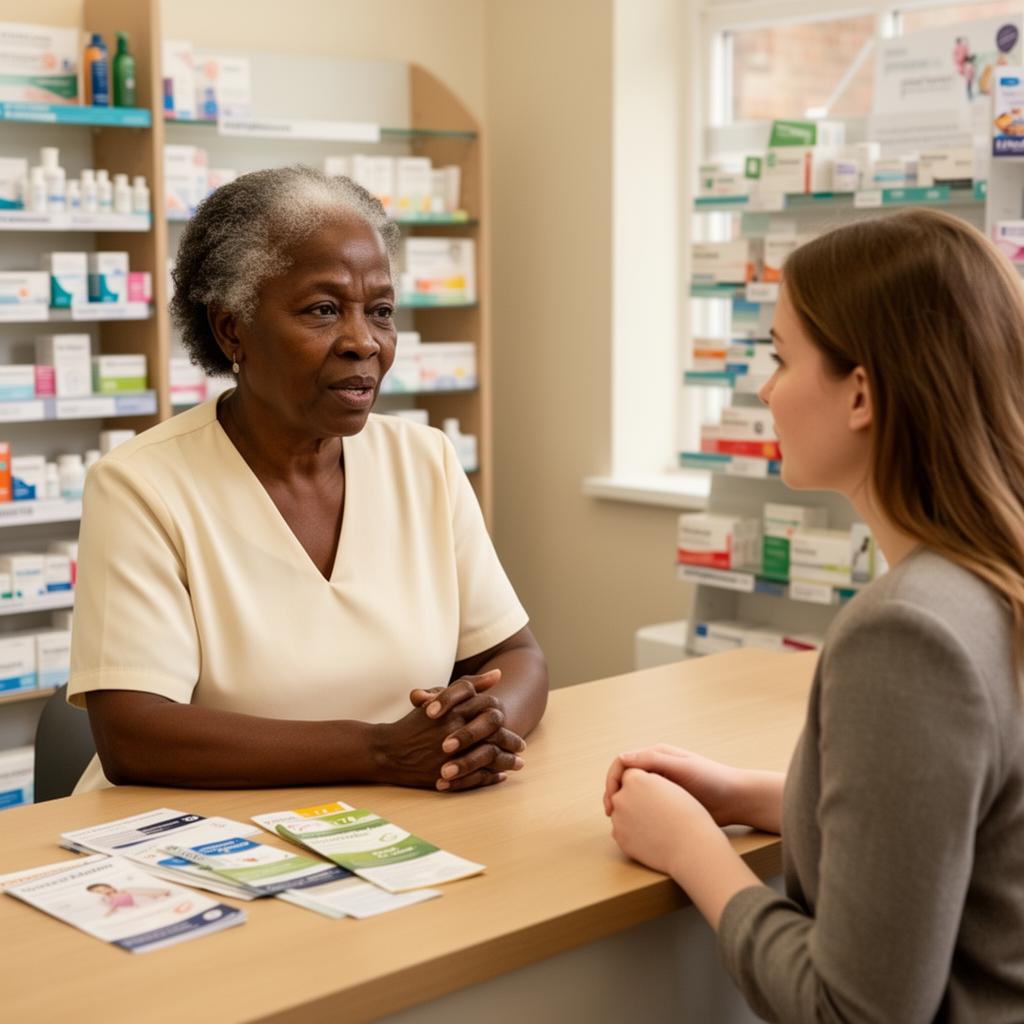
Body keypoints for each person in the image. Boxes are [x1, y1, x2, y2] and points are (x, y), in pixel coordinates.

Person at [604, 209, 1024, 1021]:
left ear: (860, 393)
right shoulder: (992, 583)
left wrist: (690, 849)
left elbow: (855, 1010)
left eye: (780, 358)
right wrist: (749, 794)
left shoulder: (911, 634)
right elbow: (949, 836)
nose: (764, 390)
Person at [68, 165, 547, 795]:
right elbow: (134, 735)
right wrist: (380, 752)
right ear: (231, 327)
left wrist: (471, 737)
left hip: (395, 817)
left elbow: (516, 658)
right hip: (199, 841)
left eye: (380, 311)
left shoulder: (424, 461)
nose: (363, 342)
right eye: (323, 310)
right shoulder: (140, 486)